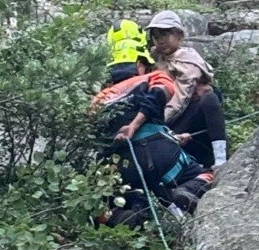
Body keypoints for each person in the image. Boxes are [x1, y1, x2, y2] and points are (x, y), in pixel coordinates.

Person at [92, 19, 214, 218]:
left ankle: (134, 217)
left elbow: (96, 133)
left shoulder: (99, 99)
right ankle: (188, 190)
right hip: (161, 152)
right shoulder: (152, 78)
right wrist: (136, 124)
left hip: (122, 164)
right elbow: (160, 93)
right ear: (140, 63)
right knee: (206, 175)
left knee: (126, 202)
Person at [145, 11, 228, 169]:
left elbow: (183, 96)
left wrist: (166, 129)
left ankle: (220, 158)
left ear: (179, 35)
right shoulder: (152, 59)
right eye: (156, 36)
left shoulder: (189, 59)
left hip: (184, 116)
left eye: (164, 34)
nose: (160, 41)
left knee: (210, 96)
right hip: (163, 120)